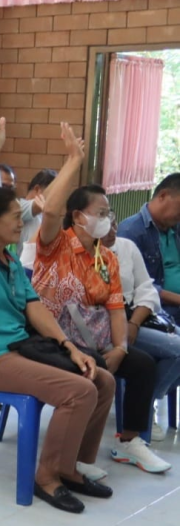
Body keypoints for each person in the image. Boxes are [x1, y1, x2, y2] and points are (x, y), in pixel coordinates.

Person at [0, 111, 117, 513]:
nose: (20, 227)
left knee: (102, 379)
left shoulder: (10, 261)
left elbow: (34, 306)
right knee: (79, 391)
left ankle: (72, 467)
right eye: (14, 220)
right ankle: (46, 477)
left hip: (20, 347)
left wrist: (67, 345)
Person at [33, 173, 168, 474]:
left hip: (96, 340)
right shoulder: (55, 245)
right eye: (101, 213)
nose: (108, 219)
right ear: (78, 216)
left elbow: (116, 309)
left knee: (143, 365)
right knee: (98, 371)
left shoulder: (106, 258)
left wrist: (120, 348)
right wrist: (73, 162)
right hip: (55, 340)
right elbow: (51, 213)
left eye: (109, 213)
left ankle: (129, 441)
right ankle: (74, 456)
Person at [104, 215, 180, 434]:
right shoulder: (85, 254)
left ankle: (143, 404)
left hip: (137, 317)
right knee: (177, 349)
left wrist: (135, 322)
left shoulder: (126, 247)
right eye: (105, 224)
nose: (113, 230)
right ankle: (143, 408)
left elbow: (147, 290)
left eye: (114, 223)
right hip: (108, 324)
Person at [118, 173, 180, 322]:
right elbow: (133, 287)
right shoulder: (130, 231)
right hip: (158, 311)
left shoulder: (175, 226)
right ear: (163, 196)